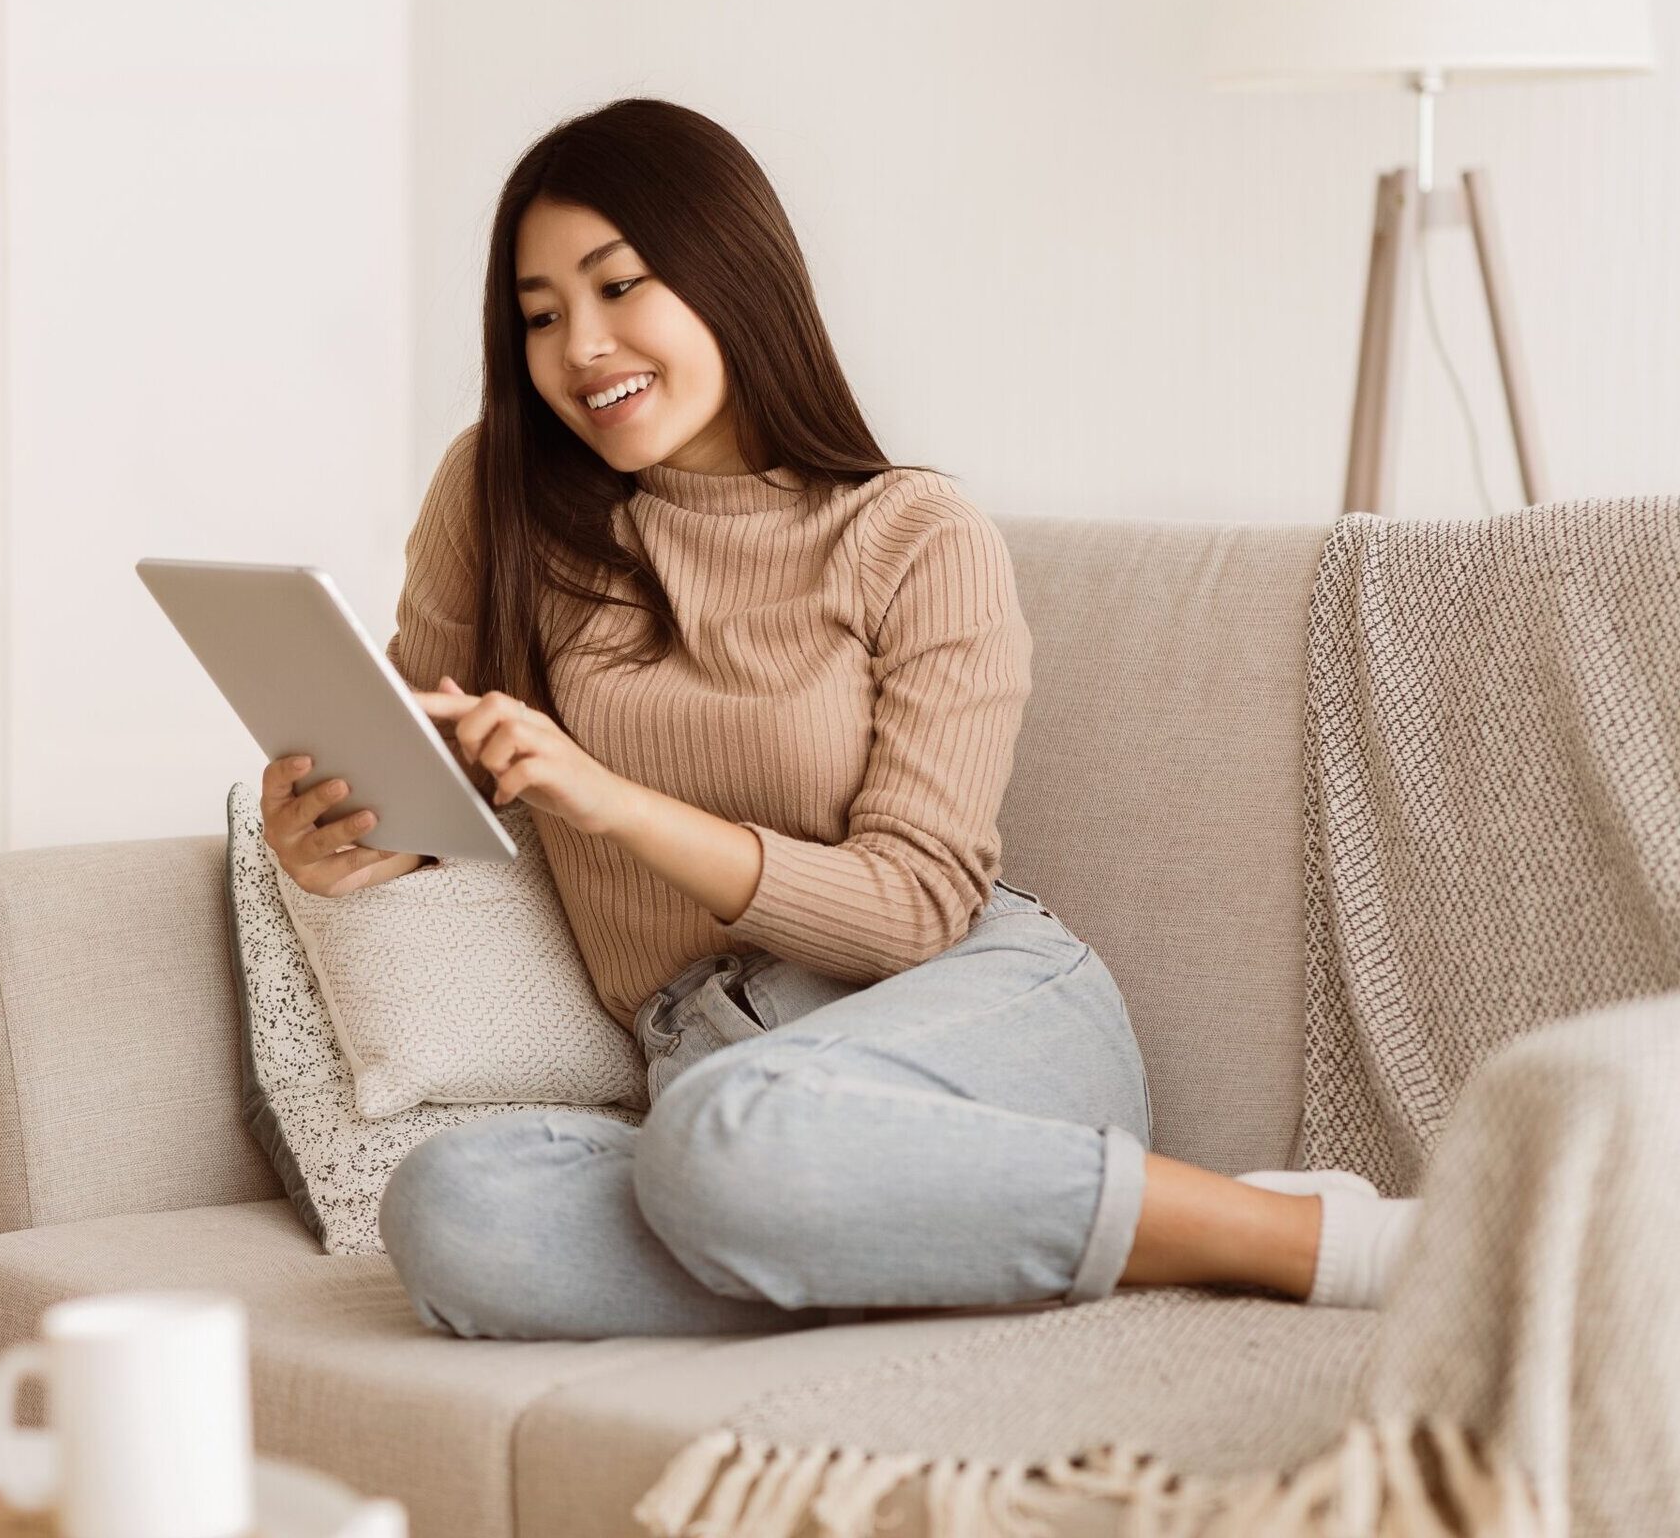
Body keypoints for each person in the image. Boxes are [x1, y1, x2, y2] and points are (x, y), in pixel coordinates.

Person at [257, 96, 1419, 1340]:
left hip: (967, 1018)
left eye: (618, 286)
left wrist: (607, 800)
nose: (580, 345)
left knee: (723, 1138)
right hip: (709, 1070)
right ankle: (891, 1231)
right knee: (454, 1213)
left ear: (729, 272)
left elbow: (918, 907)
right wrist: (340, 833)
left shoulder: (911, 535)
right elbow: (435, 756)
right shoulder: (499, 504)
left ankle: (1287, 1231)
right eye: (540, 315)